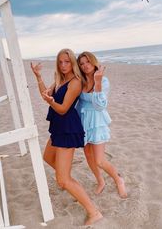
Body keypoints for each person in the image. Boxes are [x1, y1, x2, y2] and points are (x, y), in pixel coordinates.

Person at [31, 48, 103, 225]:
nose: (63, 65)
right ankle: (73, 185)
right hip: (58, 126)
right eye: (61, 62)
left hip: (68, 128)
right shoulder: (60, 80)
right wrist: (38, 77)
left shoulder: (75, 82)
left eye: (67, 61)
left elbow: (63, 109)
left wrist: (51, 101)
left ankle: (94, 212)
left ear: (72, 62)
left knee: (62, 180)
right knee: (48, 157)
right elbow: (45, 95)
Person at [76, 51, 127, 198]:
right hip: (83, 120)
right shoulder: (80, 80)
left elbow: (99, 106)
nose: (85, 66)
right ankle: (100, 181)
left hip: (97, 121)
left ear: (94, 62)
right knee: (87, 154)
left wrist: (97, 82)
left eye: (88, 62)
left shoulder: (103, 81)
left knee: (99, 160)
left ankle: (119, 179)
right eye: (82, 64)